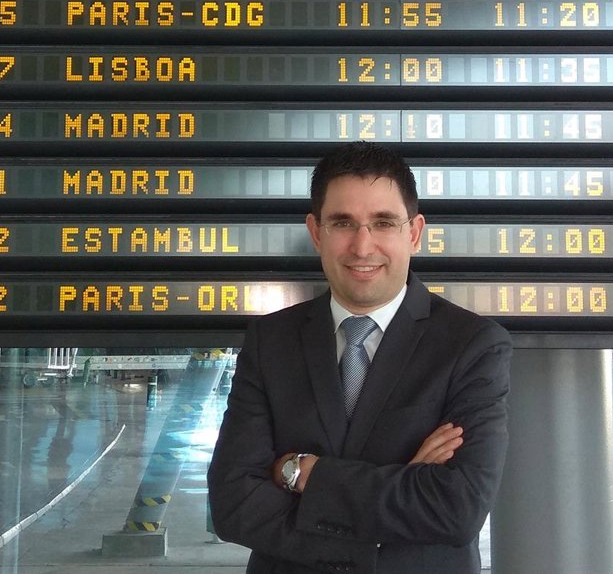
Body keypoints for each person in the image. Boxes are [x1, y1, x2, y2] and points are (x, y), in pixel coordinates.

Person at [207, 141, 511, 574]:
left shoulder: (473, 345)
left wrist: (302, 472)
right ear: (316, 232)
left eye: (383, 222)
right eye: (342, 223)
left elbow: (456, 508)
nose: (362, 246)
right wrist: (395, 505)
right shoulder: (269, 341)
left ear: (414, 233)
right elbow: (233, 504)